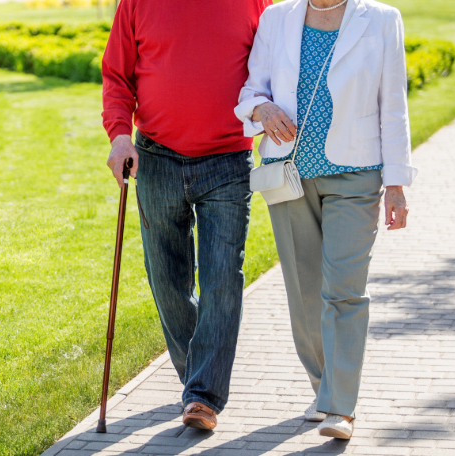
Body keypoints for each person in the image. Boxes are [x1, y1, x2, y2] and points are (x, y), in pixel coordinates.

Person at [234, 0, 417, 439]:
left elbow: (393, 105)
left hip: (355, 175)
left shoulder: (382, 19)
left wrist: (395, 183)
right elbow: (249, 91)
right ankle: (325, 387)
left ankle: (341, 406)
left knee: (344, 290)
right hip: (289, 173)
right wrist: (263, 110)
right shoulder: (276, 18)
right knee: (304, 293)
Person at [102, 0, 272, 431]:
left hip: (228, 160)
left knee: (221, 277)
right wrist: (121, 137)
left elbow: (273, 70)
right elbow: (117, 75)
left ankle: (203, 396)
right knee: (167, 280)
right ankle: (197, 376)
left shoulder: (257, 3)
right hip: (155, 156)